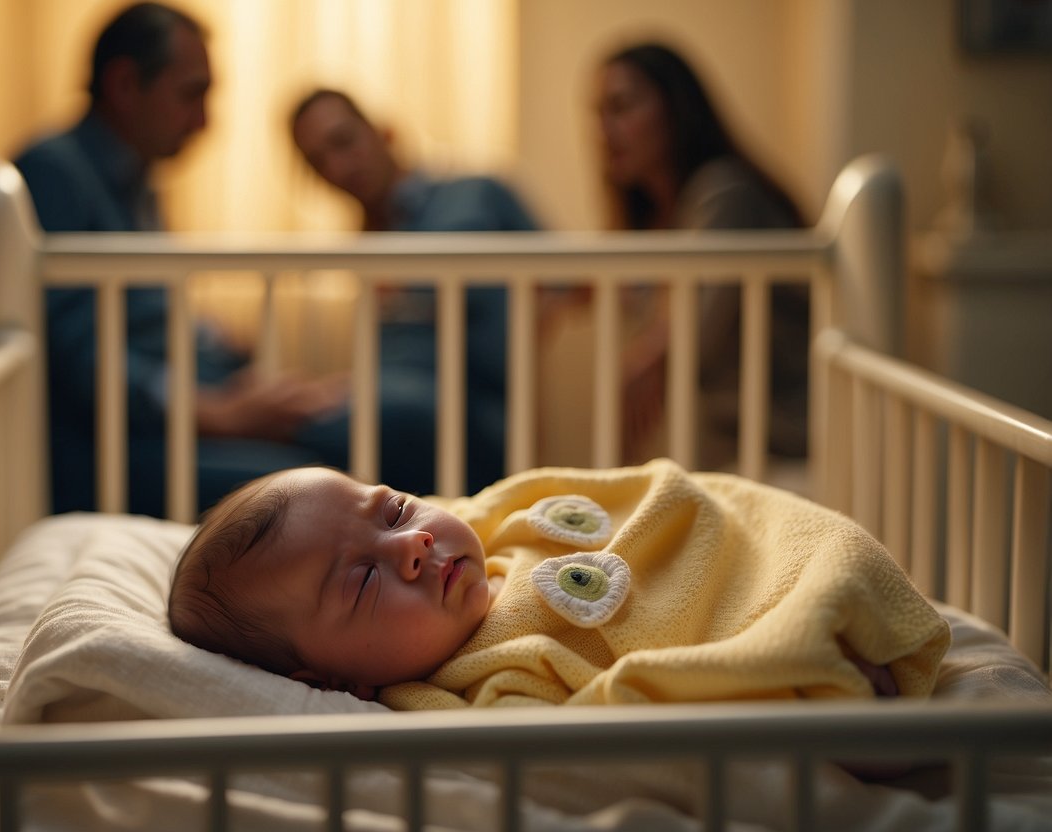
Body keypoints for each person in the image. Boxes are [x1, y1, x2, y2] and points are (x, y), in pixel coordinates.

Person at [168, 461, 950, 708]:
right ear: (329, 678)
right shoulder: (468, 686)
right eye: (363, 583)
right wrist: (791, 680)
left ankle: (829, 604)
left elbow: (662, 500)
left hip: (766, 569)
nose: (410, 545)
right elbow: (630, 708)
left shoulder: (500, 523)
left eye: (395, 510)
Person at [13, 2, 344, 517]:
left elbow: (151, 315)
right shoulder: (53, 173)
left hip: (157, 423)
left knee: (334, 426)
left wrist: (232, 360)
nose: (204, 120)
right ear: (125, 85)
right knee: (313, 473)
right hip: (108, 449)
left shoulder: (134, 181)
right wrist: (219, 412)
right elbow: (81, 357)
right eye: (191, 94)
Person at [287, 88, 540, 496]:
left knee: (323, 422)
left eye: (343, 142)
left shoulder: (475, 194)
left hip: (470, 411)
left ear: (383, 132)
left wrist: (524, 328)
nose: (337, 167)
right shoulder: (367, 248)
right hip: (393, 412)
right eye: (318, 162)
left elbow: (574, 278)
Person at [594, 42, 811, 465]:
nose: (604, 129)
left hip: (785, 441)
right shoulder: (671, 216)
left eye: (621, 106)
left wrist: (641, 359)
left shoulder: (725, 193)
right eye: (598, 113)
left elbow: (692, 331)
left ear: (674, 108)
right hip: (733, 445)